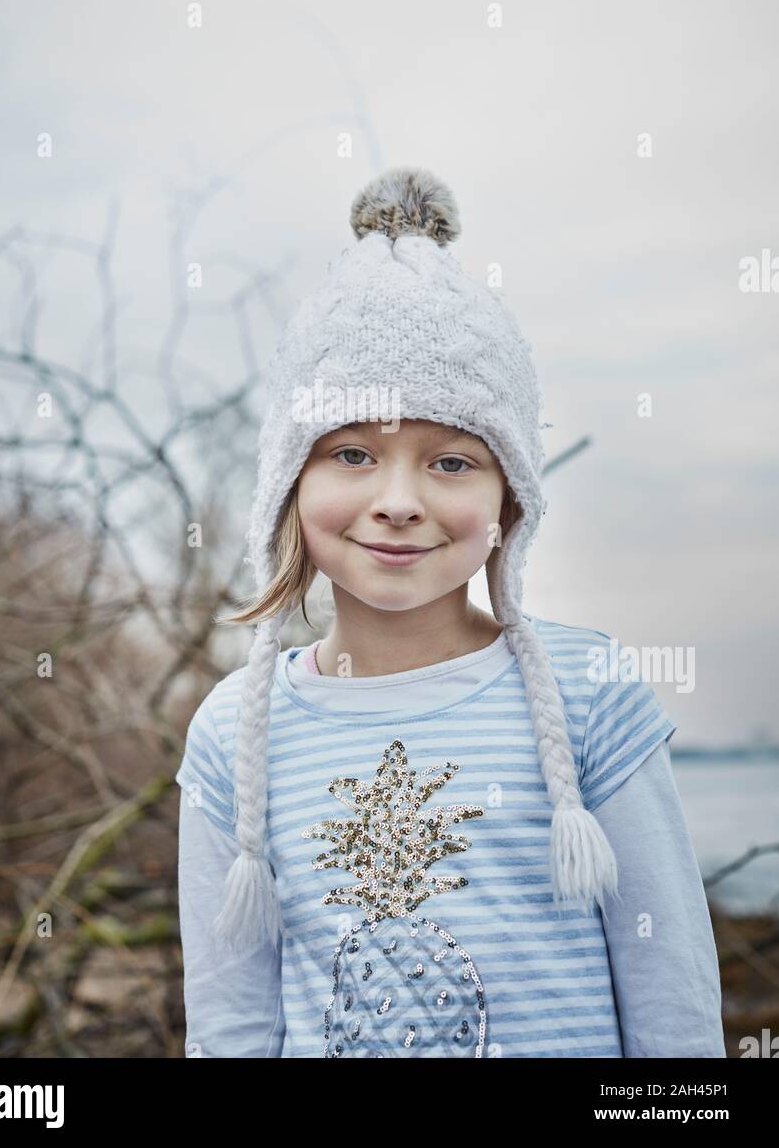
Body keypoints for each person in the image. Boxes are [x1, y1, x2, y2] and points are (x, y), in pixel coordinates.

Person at [175, 166, 725, 1058]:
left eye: (452, 461)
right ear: (288, 485)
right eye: (351, 452)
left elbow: (675, 1001)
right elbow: (231, 1023)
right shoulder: (236, 732)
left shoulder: (591, 693)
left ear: (511, 499)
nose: (398, 500)